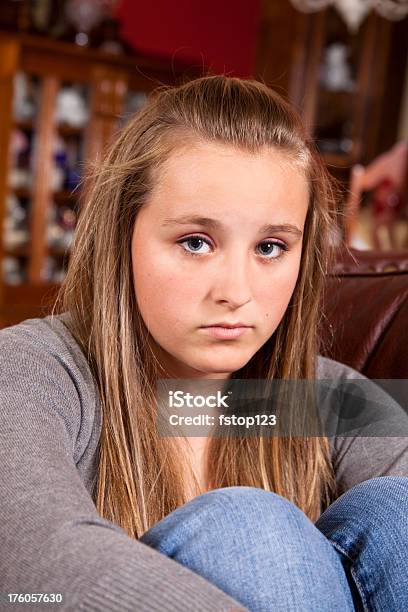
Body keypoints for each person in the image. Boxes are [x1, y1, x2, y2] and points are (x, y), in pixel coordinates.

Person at [1, 75, 408, 612]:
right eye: (196, 242)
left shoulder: (327, 402)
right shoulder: (35, 372)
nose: (236, 293)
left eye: (270, 247)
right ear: (122, 235)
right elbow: (33, 568)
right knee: (251, 534)